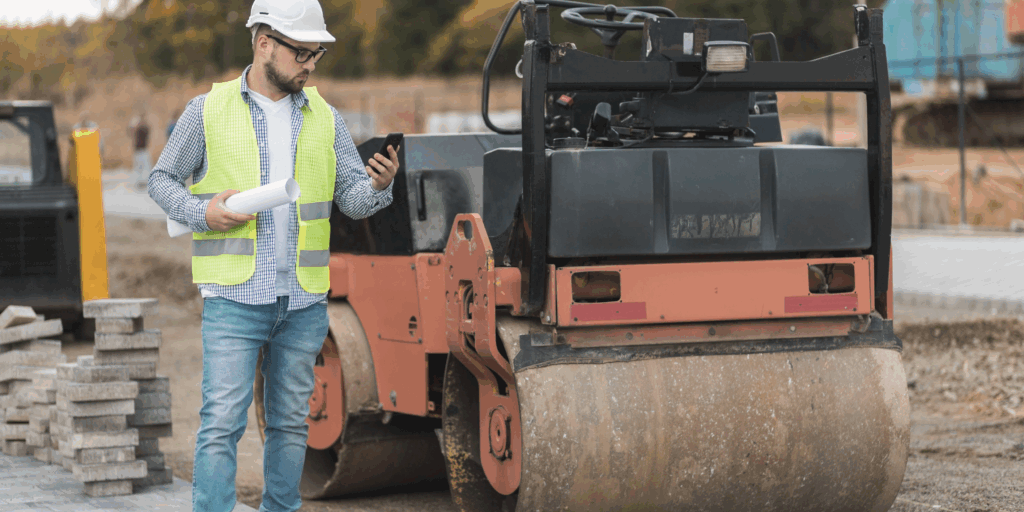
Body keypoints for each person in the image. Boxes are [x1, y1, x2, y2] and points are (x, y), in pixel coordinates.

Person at [147, 0, 399, 510]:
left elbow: (350, 198)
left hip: (302, 302)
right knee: (222, 424)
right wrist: (202, 213)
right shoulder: (207, 110)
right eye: (302, 53)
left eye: (317, 55)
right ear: (265, 44)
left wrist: (378, 186)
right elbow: (160, 180)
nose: (310, 64)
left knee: (289, 422)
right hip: (235, 297)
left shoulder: (325, 117)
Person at [130, 112, 152, 190]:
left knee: (146, 166)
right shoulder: (137, 128)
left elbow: (147, 130)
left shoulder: (143, 128)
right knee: (138, 167)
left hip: (143, 149)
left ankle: (145, 181)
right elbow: (129, 133)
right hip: (138, 150)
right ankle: (139, 181)